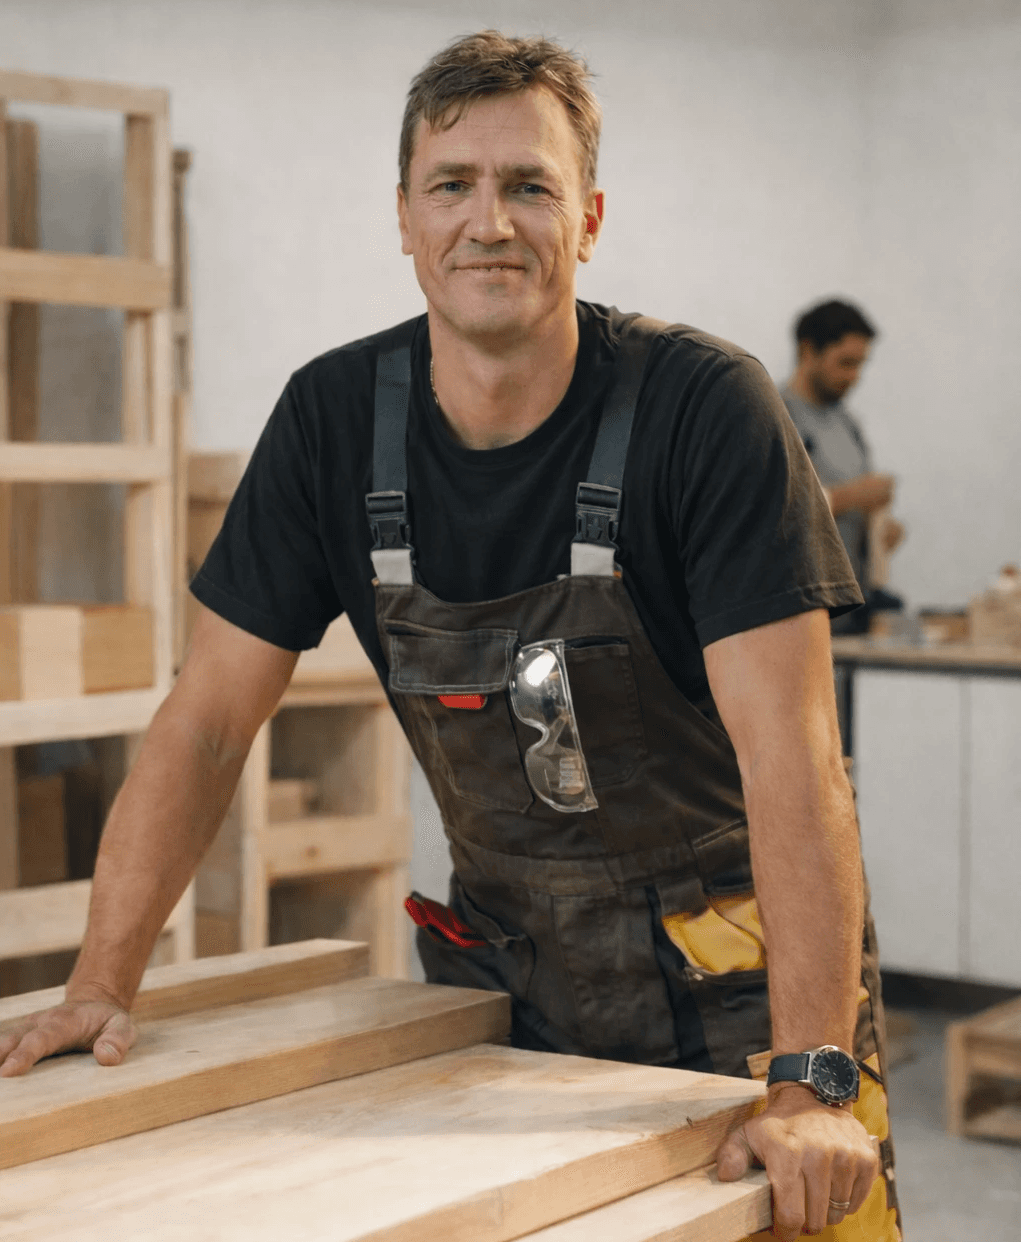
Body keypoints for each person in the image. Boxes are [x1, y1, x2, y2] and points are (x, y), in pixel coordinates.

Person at [0, 33, 899, 1242]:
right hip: (510, 990)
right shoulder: (330, 423)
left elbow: (795, 760)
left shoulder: (705, 411)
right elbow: (207, 721)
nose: (490, 222)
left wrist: (812, 1084)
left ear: (587, 219)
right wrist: (99, 982)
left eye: (529, 186)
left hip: (743, 986)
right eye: (452, 185)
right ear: (404, 218)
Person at [780, 300, 905, 630]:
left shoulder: (848, 424)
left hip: (849, 612)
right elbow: (771, 511)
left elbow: (856, 510)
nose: (854, 376)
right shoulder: (775, 417)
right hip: (798, 615)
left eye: (860, 365)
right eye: (845, 363)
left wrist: (878, 532)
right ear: (808, 351)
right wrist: (850, 498)